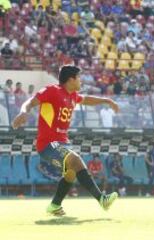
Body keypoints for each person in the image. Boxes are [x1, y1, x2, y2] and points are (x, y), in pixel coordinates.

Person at [12, 65, 120, 216]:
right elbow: (30, 101)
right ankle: (102, 199)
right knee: (76, 160)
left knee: (70, 173)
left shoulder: (73, 95)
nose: (81, 81)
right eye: (79, 78)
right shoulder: (52, 91)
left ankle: (55, 205)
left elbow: (87, 99)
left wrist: (106, 100)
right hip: (48, 144)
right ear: (71, 79)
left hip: (62, 143)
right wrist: (23, 112)